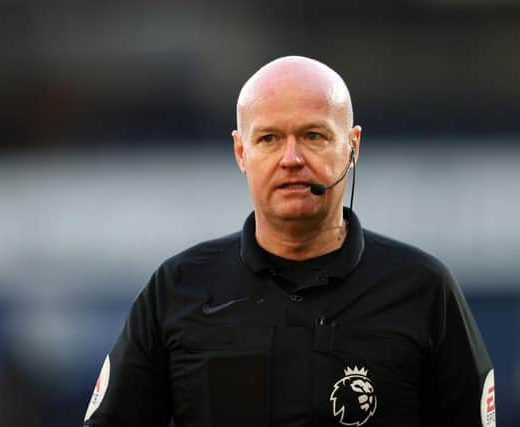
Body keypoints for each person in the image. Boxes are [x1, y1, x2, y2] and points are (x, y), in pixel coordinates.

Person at [82, 56, 496, 427]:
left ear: (352, 147)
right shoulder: (177, 288)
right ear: (241, 153)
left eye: (314, 136)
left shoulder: (422, 289)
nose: (292, 158)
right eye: (269, 139)